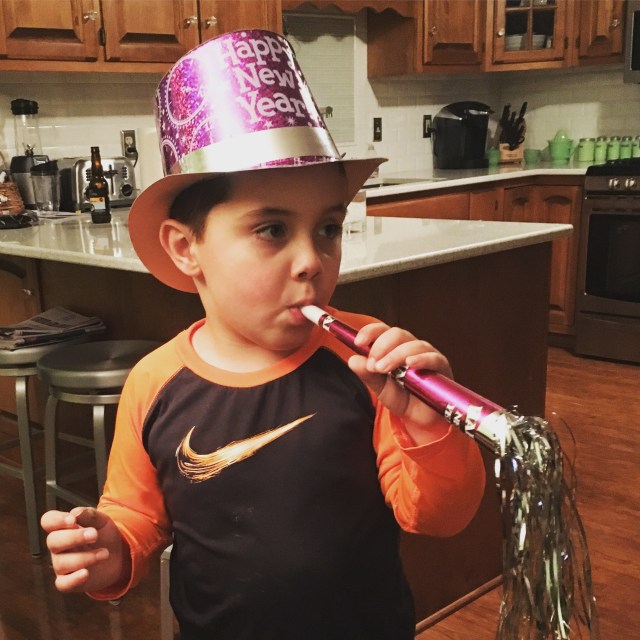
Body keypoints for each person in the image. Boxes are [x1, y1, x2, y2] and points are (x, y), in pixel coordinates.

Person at [41, 30, 486, 640]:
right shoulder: (153, 382)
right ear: (186, 248)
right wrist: (111, 550)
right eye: (273, 230)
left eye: (328, 229)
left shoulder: (368, 360)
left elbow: (439, 516)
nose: (311, 261)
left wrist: (431, 424)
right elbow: (138, 514)